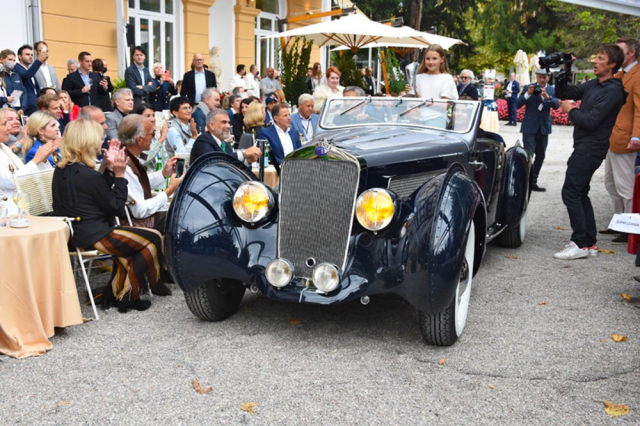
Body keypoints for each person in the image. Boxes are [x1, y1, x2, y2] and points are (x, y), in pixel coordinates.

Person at [52, 119, 165, 312]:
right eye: (99, 139)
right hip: (95, 234)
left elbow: (97, 194)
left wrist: (110, 170)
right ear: (87, 142)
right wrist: (120, 175)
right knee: (153, 238)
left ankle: (118, 293)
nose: (101, 143)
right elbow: (116, 207)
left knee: (143, 241)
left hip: (78, 232)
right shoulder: (86, 175)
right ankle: (128, 295)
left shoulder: (64, 170)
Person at [553, 44, 627, 260]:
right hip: (584, 145)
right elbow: (565, 92)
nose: (595, 61)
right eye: (596, 57)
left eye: (601, 58)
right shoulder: (595, 84)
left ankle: (579, 244)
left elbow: (591, 121)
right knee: (580, 192)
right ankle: (590, 243)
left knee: (570, 192)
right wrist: (566, 69)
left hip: (591, 148)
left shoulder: (613, 90)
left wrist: (570, 110)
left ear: (612, 64)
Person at [599, 37, 640, 245]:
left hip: (626, 139)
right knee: (611, 184)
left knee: (626, 186)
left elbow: (639, 108)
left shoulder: (638, 75)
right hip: (612, 137)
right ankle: (618, 222)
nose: (615, 53)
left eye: (620, 50)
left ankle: (629, 229)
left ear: (631, 52)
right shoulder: (620, 74)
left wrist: (636, 135)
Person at [117, 114, 182, 233]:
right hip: (133, 224)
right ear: (139, 140)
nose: (154, 138)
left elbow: (137, 184)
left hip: (138, 219)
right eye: (152, 134)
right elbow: (140, 211)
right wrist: (169, 190)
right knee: (182, 215)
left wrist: (163, 174)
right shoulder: (122, 163)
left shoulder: (127, 156)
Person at [0, 109, 59, 215]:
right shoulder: (33, 152)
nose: (9, 127)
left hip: (18, 210)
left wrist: (42, 159)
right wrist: (36, 160)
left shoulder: (3, 147)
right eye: (4, 123)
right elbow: (11, 181)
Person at [516, 68, 559, 192]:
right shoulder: (528, 87)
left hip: (544, 127)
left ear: (548, 78)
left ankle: (533, 181)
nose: (541, 79)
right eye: (539, 77)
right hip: (530, 127)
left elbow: (556, 105)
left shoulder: (552, 89)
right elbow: (518, 104)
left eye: (544, 77)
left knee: (541, 155)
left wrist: (547, 97)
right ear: (536, 77)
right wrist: (528, 94)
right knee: (529, 154)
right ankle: (525, 182)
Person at [190, 108, 262, 165]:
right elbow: (216, 163)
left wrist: (248, 161)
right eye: (224, 122)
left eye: (229, 122)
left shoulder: (225, 144)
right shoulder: (203, 141)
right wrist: (243, 153)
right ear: (212, 125)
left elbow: (233, 167)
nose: (228, 126)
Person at [132, 102, 170, 171]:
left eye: (153, 115)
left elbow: (165, 157)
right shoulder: (135, 138)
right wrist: (161, 140)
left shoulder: (156, 134)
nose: (153, 119)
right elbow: (142, 160)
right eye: (148, 116)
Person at [14, 44, 47, 116]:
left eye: (32, 55)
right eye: (27, 54)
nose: (30, 56)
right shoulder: (16, 68)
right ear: (19, 56)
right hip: (26, 107)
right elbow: (27, 76)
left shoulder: (28, 70)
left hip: (34, 106)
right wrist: (38, 61)